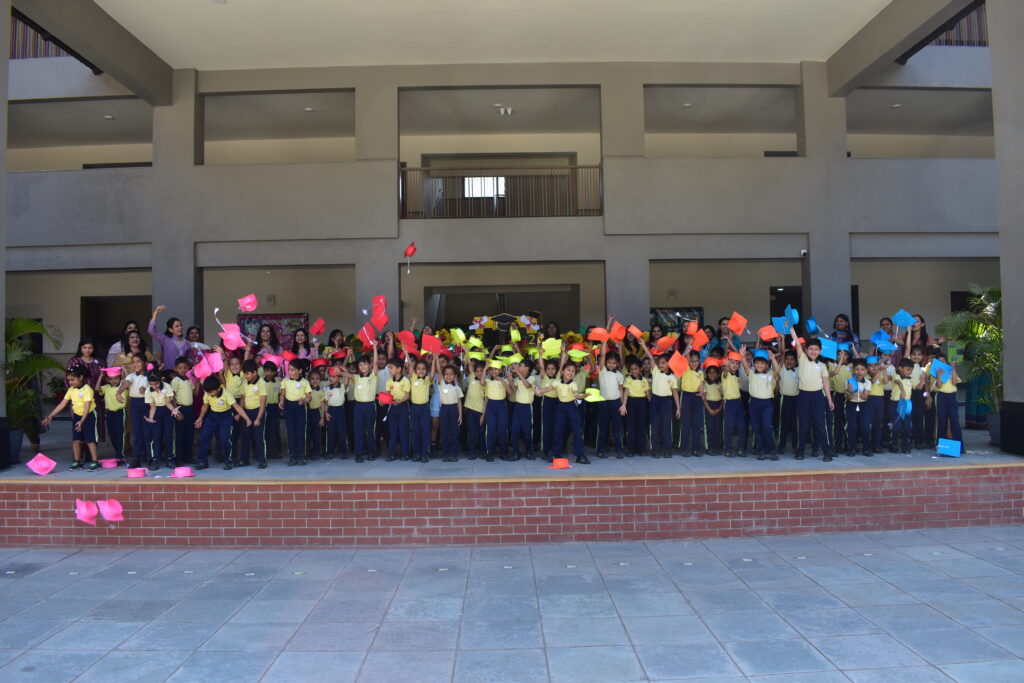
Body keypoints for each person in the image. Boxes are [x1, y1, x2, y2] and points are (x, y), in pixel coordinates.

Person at [41, 367, 100, 471]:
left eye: (73, 380)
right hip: (77, 416)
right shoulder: (71, 390)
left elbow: (87, 407)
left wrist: (82, 421)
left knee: (90, 439)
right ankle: (77, 462)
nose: (70, 382)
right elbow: (62, 404)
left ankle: (95, 462)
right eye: (69, 380)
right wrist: (50, 415)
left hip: (89, 416)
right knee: (76, 440)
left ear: (81, 377)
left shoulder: (87, 389)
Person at [791, 328, 834, 461]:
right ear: (806, 350)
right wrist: (791, 328)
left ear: (820, 351)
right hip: (803, 396)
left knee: (821, 426)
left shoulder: (822, 366)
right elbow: (797, 342)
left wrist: (829, 399)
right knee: (803, 425)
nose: (813, 351)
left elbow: (825, 382)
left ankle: (827, 452)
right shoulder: (802, 359)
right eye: (810, 349)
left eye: (816, 349)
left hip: (818, 397)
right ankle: (800, 451)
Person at [195, 376, 251, 470]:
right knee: (204, 437)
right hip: (212, 416)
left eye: (211, 392)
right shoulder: (208, 392)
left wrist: (247, 419)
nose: (209, 394)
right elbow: (205, 405)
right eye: (207, 392)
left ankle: (228, 461)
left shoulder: (226, 394)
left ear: (218, 389)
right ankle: (202, 462)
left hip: (225, 417)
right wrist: (200, 418)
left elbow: (237, 407)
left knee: (225, 439)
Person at [640, 338, 679, 458]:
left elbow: (675, 392)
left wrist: (678, 407)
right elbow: (651, 358)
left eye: (663, 363)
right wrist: (643, 345)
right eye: (659, 363)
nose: (660, 365)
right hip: (655, 400)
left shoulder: (672, 377)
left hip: (667, 402)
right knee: (655, 426)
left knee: (666, 426)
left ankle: (667, 449)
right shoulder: (656, 371)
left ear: (669, 364)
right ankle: (655, 449)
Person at [549, 345, 589, 464]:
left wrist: (582, 396)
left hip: (572, 406)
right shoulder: (558, 380)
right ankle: (555, 453)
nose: (570, 373)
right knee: (558, 430)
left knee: (577, 430)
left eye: (573, 371)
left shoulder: (573, 384)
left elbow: (576, 394)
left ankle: (580, 455)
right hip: (561, 406)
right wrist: (564, 354)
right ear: (562, 371)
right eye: (568, 370)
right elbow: (562, 366)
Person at [116, 353, 152, 468]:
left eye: (138, 361)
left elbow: (152, 386)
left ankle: (150, 458)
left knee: (147, 431)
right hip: (135, 404)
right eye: (133, 362)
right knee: (136, 431)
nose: (135, 364)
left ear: (145, 363)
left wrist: (145, 389)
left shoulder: (150, 375)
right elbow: (126, 383)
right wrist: (118, 393)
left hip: (147, 404)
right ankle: (137, 458)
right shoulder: (131, 376)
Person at [742, 349, 779, 461]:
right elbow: (745, 367)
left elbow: (777, 370)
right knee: (756, 428)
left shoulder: (770, 374)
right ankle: (761, 450)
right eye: (757, 363)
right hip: (754, 403)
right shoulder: (752, 374)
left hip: (766, 404)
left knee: (767, 427)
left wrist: (773, 359)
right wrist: (742, 356)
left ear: (766, 364)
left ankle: (771, 450)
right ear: (753, 363)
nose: (759, 365)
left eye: (762, 363)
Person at [67, 337, 105, 444]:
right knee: (79, 426)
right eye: (85, 347)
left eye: (90, 348)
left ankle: (92, 450)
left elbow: (104, 380)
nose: (87, 350)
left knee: (94, 425)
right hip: (79, 400)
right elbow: (68, 380)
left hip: (96, 399)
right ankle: (81, 452)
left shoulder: (100, 362)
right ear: (80, 348)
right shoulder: (74, 361)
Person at [595, 329, 624, 458]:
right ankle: (600, 450)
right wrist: (605, 341)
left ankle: (619, 450)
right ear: (605, 362)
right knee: (603, 428)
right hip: (603, 402)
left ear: (617, 363)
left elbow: (621, 390)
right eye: (609, 362)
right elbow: (602, 355)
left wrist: (623, 404)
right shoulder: (602, 371)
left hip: (616, 403)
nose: (611, 365)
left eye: (614, 363)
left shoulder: (619, 375)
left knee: (617, 428)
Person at [279, 359, 313, 466]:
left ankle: (302, 455)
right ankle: (292, 456)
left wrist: (304, 400)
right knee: (291, 433)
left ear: (300, 371)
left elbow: (309, 396)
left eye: (293, 370)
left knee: (300, 433)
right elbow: (282, 394)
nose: (291, 372)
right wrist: (281, 401)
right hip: (289, 407)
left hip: (300, 407)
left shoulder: (305, 382)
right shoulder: (285, 381)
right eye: (289, 370)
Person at [143, 371, 179, 470]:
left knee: (169, 435)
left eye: (156, 384)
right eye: (151, 384)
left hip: (167, 411)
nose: (154, 386)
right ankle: (155, 460)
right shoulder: (148, 391)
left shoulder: (167, 387)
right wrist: (151, 418)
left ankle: (170, 458)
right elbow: (153, 407)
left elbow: (168, 403)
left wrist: (173, 410)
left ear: (161, 380)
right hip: (156, 412)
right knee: (156, 436)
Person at [239, 359, 268, 469]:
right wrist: (240, 413)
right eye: (244, 373)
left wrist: (258, 419)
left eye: (247, 374)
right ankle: (244, 459)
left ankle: (262, 460)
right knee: (245, 436)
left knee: (258, 437)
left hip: (258, 412)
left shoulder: (261, 383)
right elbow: (242, 399)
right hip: (246, 413)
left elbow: (263, 403)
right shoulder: (244, 383)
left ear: (255, 373)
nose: (245, 376)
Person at [508, 358, 538, 461]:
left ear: (527, 368)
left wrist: (517, 373)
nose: (518, 367)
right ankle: (516, 452)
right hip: (517, 407)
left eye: (520, 365)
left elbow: (527, 385)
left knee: (527, 431)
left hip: (527, 407)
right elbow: (513, 390)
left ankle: (529, 451)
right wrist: (510, 380)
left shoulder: (531, 378)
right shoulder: (517, 379)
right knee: (515, 430)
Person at [434, 357, 463, 462]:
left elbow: (459, 402)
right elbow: (439, 371)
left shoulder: (457, 387)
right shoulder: (441, 384)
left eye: (451, 374)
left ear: (455, 376)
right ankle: (446, 453)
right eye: (446, 374)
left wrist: (460, 415)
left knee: (454, 432)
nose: (448, 376)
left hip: (453, 410)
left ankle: (454, 453)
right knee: (444, 432)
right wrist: (436, 359)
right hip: (444, 409)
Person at [934, 354, 965, 453]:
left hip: (952, 396)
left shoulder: (950, 371)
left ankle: (959, 448)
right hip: (942, 397)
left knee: (955, 421)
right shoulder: (936, 372)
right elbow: (939, 386)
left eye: (944, 360)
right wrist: (939, 375)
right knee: (942, 421)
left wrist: (953, 369)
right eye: (940, 361)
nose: (942, 362)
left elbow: (955, 382)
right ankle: (942, 449)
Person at [620, 355, 650, 457]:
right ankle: (630, 449)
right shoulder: (628, 379)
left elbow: (647, 394)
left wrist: (652, 405)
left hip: (642, 403)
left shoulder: (644, 380)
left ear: (640, 369)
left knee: (641, 426)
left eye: (636, 369)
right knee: (631, 426)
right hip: (631, 402)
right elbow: (626, 392)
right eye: (632, 369)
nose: (633, 371)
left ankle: (642, 448)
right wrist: (624, 405)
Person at [351, 349, 378, 462]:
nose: (362, 367)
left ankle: (371, 452)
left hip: (370, 406)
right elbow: (347, 374)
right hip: (358, 406)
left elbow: (375, 363)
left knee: (370, 430)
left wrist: (375, 348)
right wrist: (341, 372)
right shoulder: (357, 377)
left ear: (370, 365)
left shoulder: (373, 376)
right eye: (360, 365)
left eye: (365, 364)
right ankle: (359, 453)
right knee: (359, 430)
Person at [480, 357, 509, 461]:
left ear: (500, 370)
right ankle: (490, 453)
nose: (493, 371)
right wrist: (485, 368)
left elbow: (510, 392)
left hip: (501, 405)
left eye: (496, 369)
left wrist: (502, 381)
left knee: (502, 430)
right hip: (491, 405)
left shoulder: (504, 380)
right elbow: (481, 382)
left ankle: (503, 452)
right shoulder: (488, 381)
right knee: (491, 430)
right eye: (491, 369)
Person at [96, 367, 126, 463]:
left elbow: (127, 380)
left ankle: (120, 455)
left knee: (120, 433)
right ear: (108, 380)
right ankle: (117, 452)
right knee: (112, 434)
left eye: (116, 378)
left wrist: (124, 371)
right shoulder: (106, 387)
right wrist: (101, 376)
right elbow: (97, 388)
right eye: (111, 379)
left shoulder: (123, 387)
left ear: (120, 378)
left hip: (119, 412)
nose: (113, 381)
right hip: (109, 413)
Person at [148, 306, 192, 371]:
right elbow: (151, 330)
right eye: (177, 326)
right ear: (171, 329)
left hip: (183, 375)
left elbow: (190, 360)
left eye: (180, 325)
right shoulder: (165, 340)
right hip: (169, 374)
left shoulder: (187, 343)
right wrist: (155, 313)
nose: (180, 327)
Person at [385, 355, 411, 461]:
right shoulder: (389, 381)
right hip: (392, 407)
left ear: (399, 369)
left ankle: (405, 453)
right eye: (389, 367)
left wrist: (399, 401)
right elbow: (387, 394)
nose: (389, 370)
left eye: (391, 367)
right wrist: (383, 400)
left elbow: (407, 396)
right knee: (393, 431)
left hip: (403, 406)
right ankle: (392, 453)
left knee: (403, 430)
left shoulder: (405, 381)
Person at [170, 357, 196, 465]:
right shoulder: (175, 381)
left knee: (189, 434)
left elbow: (195, 393)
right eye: (180, 368)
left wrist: (198, 380)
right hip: (180, 409)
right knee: (179, 435)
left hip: (189, 409)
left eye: (185, 368)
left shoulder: (188, 380)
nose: (183, 370)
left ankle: (188, 456)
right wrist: (177, 412)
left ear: (188, 368)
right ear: (176, 369)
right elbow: (172, 397)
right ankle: (178, 458)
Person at [845, 358, 873, 456]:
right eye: (856, 369)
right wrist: (849, 391)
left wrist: (862, 394)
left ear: (866, 371)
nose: (859, 372)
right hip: (851, 405)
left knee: (865, 427)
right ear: (853, 370)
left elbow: (866, 397)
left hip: (863, 405)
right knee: (852, 427)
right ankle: (852, 448)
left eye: (862, 369)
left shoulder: (867, 382)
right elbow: (849, 398)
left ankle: (866, 448)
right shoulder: (849, 381)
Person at [678, 349, 703, 457]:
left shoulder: (701, 372)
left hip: (697, 397)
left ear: (699, 361)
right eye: (692, 361)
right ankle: (685, 448)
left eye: (696, 361)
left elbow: (701, 383)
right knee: (686, 423)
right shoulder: (686, 369)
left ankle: (696, 448)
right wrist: (689, 346)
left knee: (696, 424)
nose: (694, 363)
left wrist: (701, 392)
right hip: (686, 396)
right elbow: (687, 358)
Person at [407, 357, 432, 463]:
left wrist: (435, 359)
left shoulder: (427, 379)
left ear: (427, 370)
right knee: (415, 431)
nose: (421, 371)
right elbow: (410, 365)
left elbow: (433, 372)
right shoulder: (413, 377)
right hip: (414, 408)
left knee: (425, 431)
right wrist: (406, 353)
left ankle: (425, 453)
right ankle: (416, 453)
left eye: (423, 369)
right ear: (415, 370)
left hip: (424, 408)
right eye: (418, 368)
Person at [721, 352, 746, 457]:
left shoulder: (737, 377)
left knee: (742, 427)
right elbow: (726, 370)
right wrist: (727, 363)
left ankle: (740, 448)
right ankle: (728, 449)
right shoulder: (725, 374)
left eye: (737, 363)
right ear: (728, 363)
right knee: (729, 427)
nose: (734, 365)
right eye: (732, 362)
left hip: (738, 403)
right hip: (729, 403)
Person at [324, 364, 350, 459]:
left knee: (342, 432)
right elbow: (325, 402)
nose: (331, 378)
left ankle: (344, 452)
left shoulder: (342, 387)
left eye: (334, 377)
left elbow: (346, 381)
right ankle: (330, 452)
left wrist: (344, 370)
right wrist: (326, 413)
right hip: (331, 410)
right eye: (330, 376)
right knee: (330, 432)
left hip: (340, 411)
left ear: (339, 378)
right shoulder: (327, 389)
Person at [889, 359, 915, 453]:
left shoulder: (910, 379)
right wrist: (902, 390)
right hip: (896, 404)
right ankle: (893, 444)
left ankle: (905, 445)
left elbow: (917, 387)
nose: (909, 372)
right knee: (897, 426)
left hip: (906, 404)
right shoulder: (896, 376)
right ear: (900, 368)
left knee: (908, 427)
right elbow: (898, 382)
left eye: (911, 370)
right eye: (907, 369)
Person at [776, 350, 799, 454]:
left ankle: (796, 446)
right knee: (783, 423)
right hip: (784, 399)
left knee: (795, 424)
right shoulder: (782, 370)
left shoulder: (799, 370)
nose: (789, 361)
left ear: (796, 361)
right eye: (787, 359)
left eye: (792, 359)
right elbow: (781, 355)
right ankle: (781, 446)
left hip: (796, 399)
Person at [463, 360, 487, 459]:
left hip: (480, 411)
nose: (479, 373)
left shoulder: (485, 382)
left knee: (481, 432)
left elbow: (486, 400)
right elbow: (469, 364)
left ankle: (483, 451)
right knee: (472, 432)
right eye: (477, 371)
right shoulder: (472, 377)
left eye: (482, 370)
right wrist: (466, 352)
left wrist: (483, 415)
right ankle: (471, 451)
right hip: (470, 411)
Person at [701, 362, 724, 455]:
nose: (712, 374)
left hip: (718, 405)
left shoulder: (720, 384)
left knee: (717, 427)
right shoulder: (705, 383)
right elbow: (704, 398)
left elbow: (723, 397)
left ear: (718, 374)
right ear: (706, 374)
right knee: (709, 427)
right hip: (708, 405)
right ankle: (709, 447)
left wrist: (720, 408)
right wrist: (709, 409)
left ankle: (716, 447)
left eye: (714, 372)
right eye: (710, 372)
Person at [262, 360, 283, 458]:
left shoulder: (278, 382)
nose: (269, 373)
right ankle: (264, 451)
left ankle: (272, 451)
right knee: (264, 429)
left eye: (272, 371)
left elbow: (280, 395)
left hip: (274, 408)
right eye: (267, 371)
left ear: (275, 372)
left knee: (273, 429)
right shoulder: (260, 382)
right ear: (264, 371)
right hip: (264, 407)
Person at [306, 366, 326, 461]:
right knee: (308, 433)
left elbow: (322, 405)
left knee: (316, 434)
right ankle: (307, 451)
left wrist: (322, 418)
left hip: (316, 413)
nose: (315, 381)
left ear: (320, 380)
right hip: (308, 413)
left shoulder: (321, 392)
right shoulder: (307, 391)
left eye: (317, 379)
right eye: (312, 379)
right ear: (309, 380)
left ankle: (316, 451)